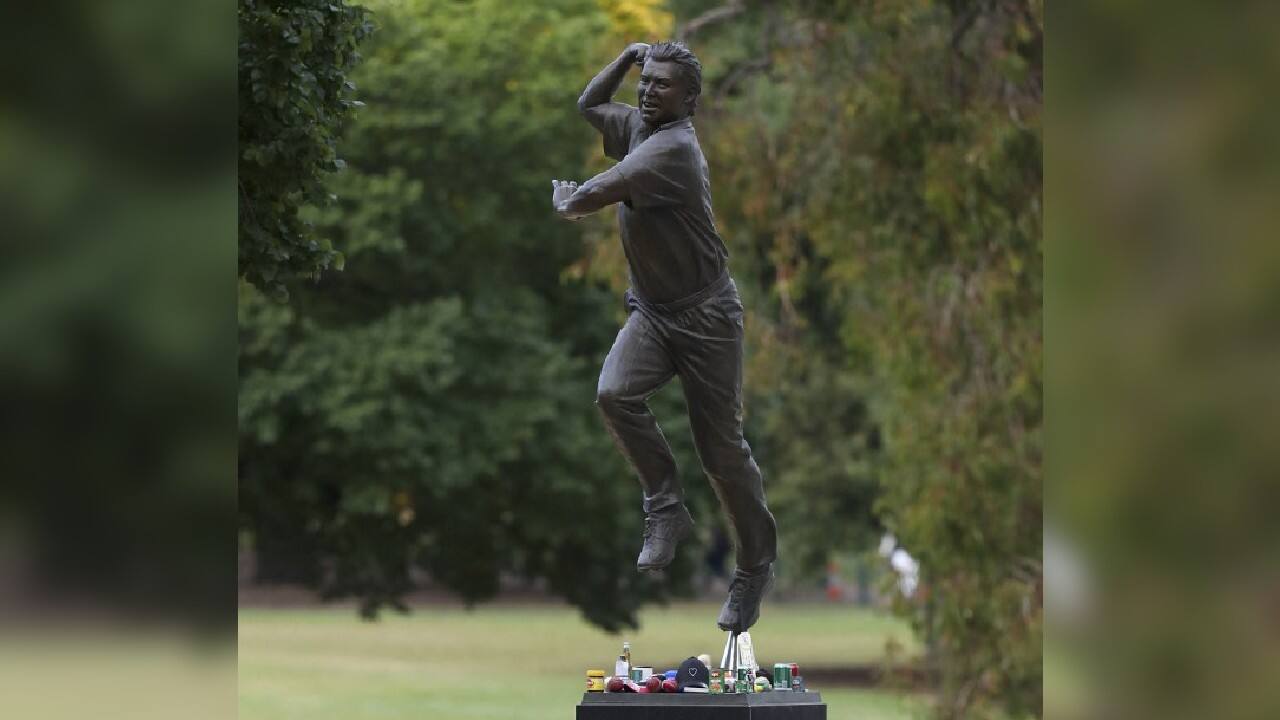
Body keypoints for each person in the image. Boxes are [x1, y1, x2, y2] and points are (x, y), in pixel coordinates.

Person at [551, 41, 777, 632]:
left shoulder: (673, 151)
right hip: (654, 313)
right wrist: (627, 57)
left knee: (722, 454)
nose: (648, 90)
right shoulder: (637, 127)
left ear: (690, 101)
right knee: (613, 394)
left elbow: (586, 198)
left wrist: (564, 198)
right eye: (645, 80)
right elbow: (588, 102)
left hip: (707, 318)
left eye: (661, 84)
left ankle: (755, 566)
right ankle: (665, 506)